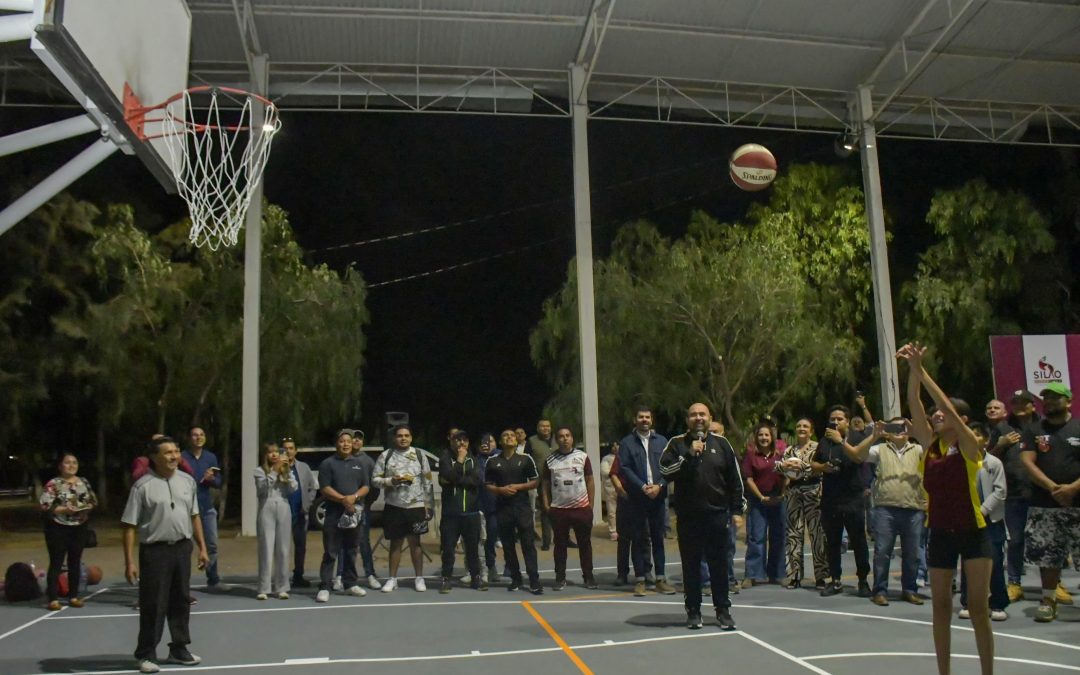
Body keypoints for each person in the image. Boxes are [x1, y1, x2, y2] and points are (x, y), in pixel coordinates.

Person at [898, 341, 994, 675]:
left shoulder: (969, 444)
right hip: (939, 530)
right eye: (935, 414)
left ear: (961, 419)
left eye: (944, 413)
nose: (937, 415)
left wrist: (923, 371)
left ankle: (987, 671)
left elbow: (945, 407)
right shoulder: (931, 445)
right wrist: (913, 371)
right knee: (940, 607)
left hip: (974, 531)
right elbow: (914, 403)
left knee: (978, 608)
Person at [121, 436, 210, 674]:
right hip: (155, 551)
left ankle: (179, 648)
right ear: (154, 457)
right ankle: (146, 654)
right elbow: (129, 525)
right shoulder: (142, 486)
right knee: (153, 603)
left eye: (176, 451)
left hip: (182, 548)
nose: (174, 456)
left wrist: (202, 547)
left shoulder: (188, 481)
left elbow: (195, 515)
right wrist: (129, 562)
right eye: (168, 452)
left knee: (181, 600)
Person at [660, 402, 745, 631]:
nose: (698, 418)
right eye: (693, 414)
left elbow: (735, 481)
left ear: (709, 418)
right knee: (691, 567)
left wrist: (737, 511)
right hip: (689, 518)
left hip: (717, 516)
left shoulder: (722, 443)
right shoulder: (677, 444)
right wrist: (688, 456)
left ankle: (723, 611)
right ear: (687, 420)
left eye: (702, 414)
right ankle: (694, 611)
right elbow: (665, 471)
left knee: (719, 566)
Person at [846, 418, 927, 606]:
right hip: (885, 509)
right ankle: (880, 590)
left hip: (913, 508)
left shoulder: (918, 449)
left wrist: (918, 433)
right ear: (887, 431)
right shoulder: (880, 449)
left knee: (913, 553)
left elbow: (936, 450)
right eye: (894, 427)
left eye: (903, 427)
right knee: (882, 551)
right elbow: (858, 455)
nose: (899, 430)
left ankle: (910, 589)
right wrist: (874, 436)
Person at [1019, 381, 1080, 622]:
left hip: (1078, 503)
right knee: (1047, 557)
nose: (1051, 402)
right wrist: (1053, 488)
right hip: (1045, 504)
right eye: (1047, 398)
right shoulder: (1034, 430)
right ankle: (1048, 599)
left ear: (1069, 401)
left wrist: (1073, 488)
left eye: (1056, 398)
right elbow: (1027, 461)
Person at [815, 405, 871, 598]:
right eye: (833, 419)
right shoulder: (825, 440)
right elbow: (814, 463)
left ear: (847, 421)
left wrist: (841, 441)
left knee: (859, 541)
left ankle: (863, 580)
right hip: (831, 499)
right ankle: (835, 580)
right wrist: (823, 467)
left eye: (839, 419)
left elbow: (858, 457)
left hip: (853, 499)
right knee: (833, 542)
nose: (835, 422)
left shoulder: (857, 438)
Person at [618, 406, 675, 596]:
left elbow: (670, 466)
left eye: (647, 417)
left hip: (658, 496)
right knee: (639, 538)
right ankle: (640, 579)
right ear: (635, 420)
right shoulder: (627, 443)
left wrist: (659, 485)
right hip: (637, 497)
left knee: (658, 537)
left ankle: (660, 578)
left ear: (652, 420)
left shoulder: (662, 441)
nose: (644, 420)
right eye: (641, 417)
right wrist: (642, 487)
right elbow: (625, 468)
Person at [958, 421, 1009, 621]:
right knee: (968, 561)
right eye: (970, 433)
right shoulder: (959, 461)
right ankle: (968, 602)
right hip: (967, 519)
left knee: (994, 561)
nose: (973, 437)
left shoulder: (994, 463)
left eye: (978, 434)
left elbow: (1000, 491)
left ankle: (997, 603)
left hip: (991, 520)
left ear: (986, 441)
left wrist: (983, 510)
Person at [373, 425, 432, 592]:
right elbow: (375, 480)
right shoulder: (386, 456)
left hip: (416, 507)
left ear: (411, 438)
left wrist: (428, 506)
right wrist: (391, 481)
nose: (403, 438)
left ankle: (419, 578)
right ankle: (392, 579)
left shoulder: (420, 455)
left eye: (406, 435)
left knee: (416, 543)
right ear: (394, 438)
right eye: (400, 435)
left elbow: (427, 482)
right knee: (395, 543)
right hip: (394, 506)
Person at [485, 428, 543, 594]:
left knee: (528, 544)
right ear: (501, 441)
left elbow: (535, 481)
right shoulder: (493, 461)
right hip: (503, 508)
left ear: (516, 440)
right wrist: (500, 490)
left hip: (522, 507)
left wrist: (519, 487)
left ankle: (534, 580)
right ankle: (516, 579)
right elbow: (488, 484)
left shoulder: (525, 459)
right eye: (505, 435)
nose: (509, 437)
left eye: (512, 435)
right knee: (508, 546)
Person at [315, 429, 370, 603]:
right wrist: (342, 499)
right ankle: (324, 586)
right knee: (331, 551)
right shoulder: (327, 464)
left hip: (353, 513)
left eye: (348, 441)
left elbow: (366, 486)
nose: (345, 444)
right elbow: (324, 488)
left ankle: (350, 583)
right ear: (336, 443)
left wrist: (353, 498)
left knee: (352, 549)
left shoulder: (359, 463)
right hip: (333, 513)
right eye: (342, 441)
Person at [39, 453, 97, 611]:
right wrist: (64, 509)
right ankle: (53, 598)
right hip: (58, 527)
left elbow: (92, 501)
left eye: (74, 462)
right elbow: (45, 505)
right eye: (67, 463)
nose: (71, 465)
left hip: (79, 527)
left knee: (75, 562)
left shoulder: (83, 482)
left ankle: (73, 596)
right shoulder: (54, 483)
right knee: (56, 562)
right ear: (60, 466)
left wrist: (86, 509)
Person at [542, 426, 597, 590]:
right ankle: (560, 577)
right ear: (556, 440)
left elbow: (590, 481)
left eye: (568, 435)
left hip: (581, 508)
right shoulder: (550, 460)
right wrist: (546, 504)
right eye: (561, 436)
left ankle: (588, 576)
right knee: (559, 545)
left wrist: (590, 505)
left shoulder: (582, 457)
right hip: (559, 509)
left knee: (585, 544)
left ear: (572, 438)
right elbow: (544, 484)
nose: (564, 438)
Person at [778, 417, 827, 589]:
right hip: (793, 492)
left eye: (805, 426)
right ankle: (794, 575)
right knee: (793, 533)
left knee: (817, 534)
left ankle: (821, 576)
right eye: (798, 426)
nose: (801, 428)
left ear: (811, 430)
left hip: (813, 490)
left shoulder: (818, 447)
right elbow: (782, 470)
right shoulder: (789, 449)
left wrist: (804, 467)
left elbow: (821, 467)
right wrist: (783, 467)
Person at [438, 430, 486, 592]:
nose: (461, 443)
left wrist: (456, 479)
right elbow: (447, 475)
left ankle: (476, 578)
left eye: (464, 440)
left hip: (471, 513)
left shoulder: (474, 460)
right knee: (448, 549)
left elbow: (477, 480)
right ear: (451, 442)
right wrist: (459, 461)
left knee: (473, 549)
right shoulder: (445, 458)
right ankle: (446, 579)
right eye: (458, 440)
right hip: (451, 514)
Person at [742, 422, 787, 587]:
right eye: (760, 435)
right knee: (756, 537)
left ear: (772, 437)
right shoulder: (750, 455)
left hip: (777, 499)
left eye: (766, 435)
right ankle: (752, 574)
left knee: (778, 536)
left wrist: (782, 494)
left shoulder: (780, 454)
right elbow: (748, 478)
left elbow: (786, 476)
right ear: (756, 437)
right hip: (758, 500)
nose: (763, 438)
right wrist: (760, 497)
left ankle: (777, 573)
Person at [182, 427, 226, 590]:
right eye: (195, 435)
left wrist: (211, 479)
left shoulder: (210, 457)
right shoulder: (182, 458)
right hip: (187, 509)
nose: (198, 437)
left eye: (201, 434)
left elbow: (218, 481)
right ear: (189, 438)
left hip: (206, 507)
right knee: (185, 547)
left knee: (212, 544)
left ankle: (213, 579)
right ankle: (181, 582)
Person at [254, 443, 297, 601]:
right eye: (270, 452)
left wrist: (286, 473)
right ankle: (264, 587)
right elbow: (262, 489)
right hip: (267, 506)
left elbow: (293, 489)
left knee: (284, 548)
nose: (273, 455)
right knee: (266, 547)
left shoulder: (286, 470)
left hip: (283, 506)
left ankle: (282, 587)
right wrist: (273, 471)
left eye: (276, 452)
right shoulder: (259, 471)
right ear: (265, 455)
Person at [280, 437, 319, 588]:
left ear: (295, 451)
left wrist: (308, 504)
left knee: (300, 545)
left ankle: (298, 575)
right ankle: (281, 577)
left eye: (291, 448)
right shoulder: (276, 467)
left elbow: (312, 487)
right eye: (285, 448)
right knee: (282, 547)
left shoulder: (303, 467)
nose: (288, 451)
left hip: (300, 512)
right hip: (282, 512)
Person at [527, 420, 556, 550]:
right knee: (546, 511)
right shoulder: (532, 441)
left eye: (547, 426)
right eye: (542, 426)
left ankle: (565, 539)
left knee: (563, 511)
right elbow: (527, 460)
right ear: (538, 428)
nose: (545, 428)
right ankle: (546, 541)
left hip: (560, 480)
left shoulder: (558, 438)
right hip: (542, 481)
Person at [599, 443, 619, 541]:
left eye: (617, 445)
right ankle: (613, 531)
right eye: (613, 445)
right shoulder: (606, 458)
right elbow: (604, 471)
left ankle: (622, 530)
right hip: (610, 488)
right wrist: (615, 473)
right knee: (612, 511)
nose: (615, 447)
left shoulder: (624, 456)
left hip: (623, 488)